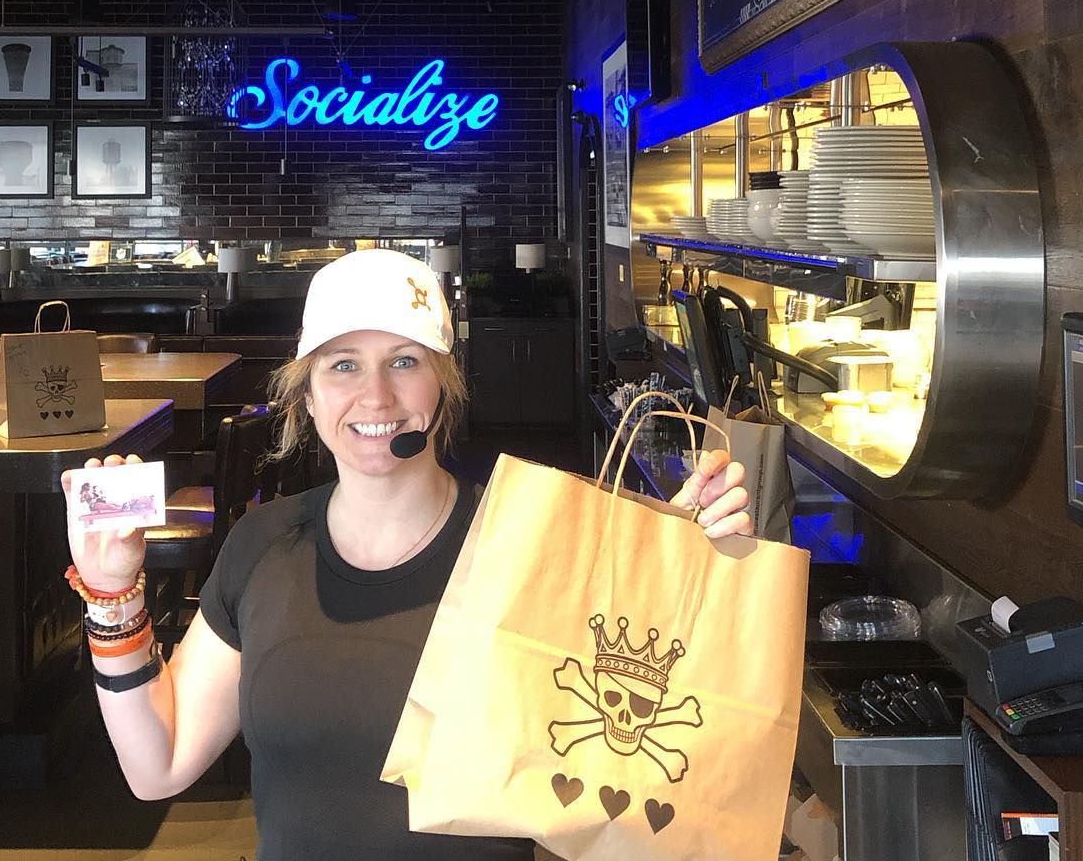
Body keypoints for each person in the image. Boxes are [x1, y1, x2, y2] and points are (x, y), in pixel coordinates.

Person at [62, 248, 753, 859]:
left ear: (443, 384)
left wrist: (688, 564)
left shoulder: (528, 544)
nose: (376, 396)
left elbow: (656, 726)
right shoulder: (262, 543)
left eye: (404, 361)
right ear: (308, 395)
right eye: (343, 366)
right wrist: (112, 593)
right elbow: (159, 766)